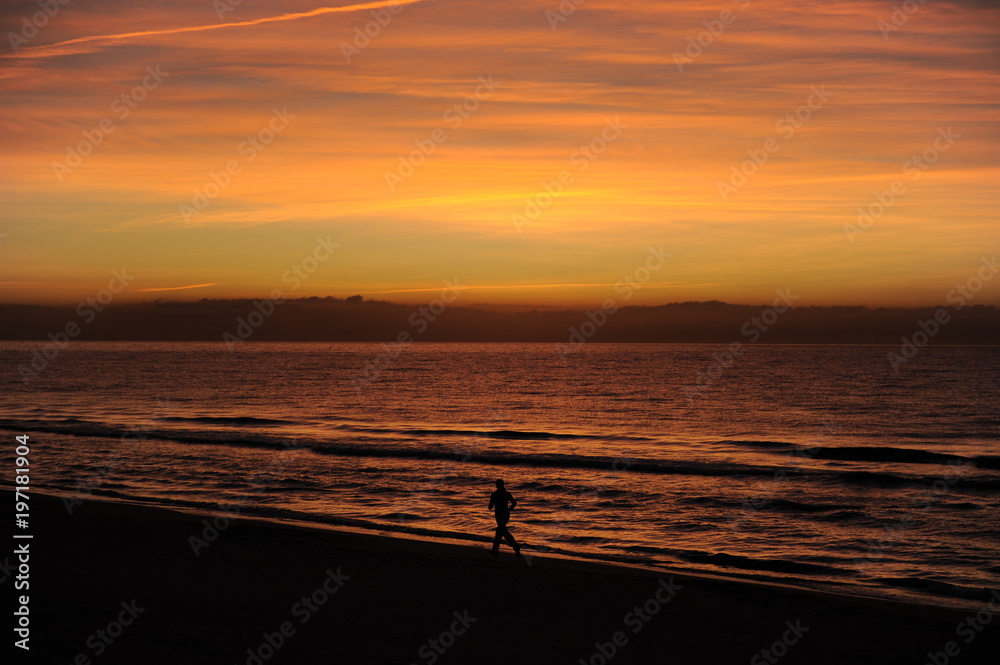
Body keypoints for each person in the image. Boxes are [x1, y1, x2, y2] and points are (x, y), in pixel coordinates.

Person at [488, 478, 520, 557]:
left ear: (497, 485)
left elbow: (490, 507)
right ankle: (495, 550)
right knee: (499, 532)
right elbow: (514, 503)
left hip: (499, 515)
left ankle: (515, 546)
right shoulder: (507, 493)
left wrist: (492, 502)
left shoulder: (495, 494)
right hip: (506, 515)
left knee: (503, 531)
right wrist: (509, 510)